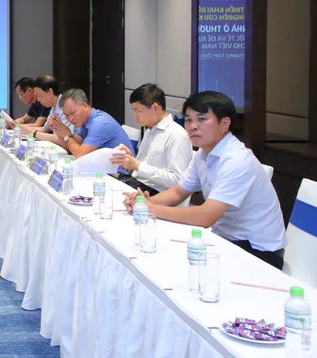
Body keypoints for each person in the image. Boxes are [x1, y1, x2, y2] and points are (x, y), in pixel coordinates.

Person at [123, 91, 287, 269]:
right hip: (225, 240)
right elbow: (178, 192)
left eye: (201, 119)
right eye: (188, 120)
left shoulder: (237, 160)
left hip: (258, 252)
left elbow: (205, 216)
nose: (193, 126)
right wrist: (142, 203)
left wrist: (151, 208)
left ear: (224, 124)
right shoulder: (203, 153)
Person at [109, 83, 192, 194]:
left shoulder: (176, 135)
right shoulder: (150, 130)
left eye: (138, 111)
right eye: (134, 111)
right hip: (139, 185)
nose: (135, 116)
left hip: (158, 194)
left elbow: (177, 180)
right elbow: (139, 171)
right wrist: (128, 162)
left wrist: (137, 165)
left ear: (155, 108)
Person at [49, 88, 131, 157]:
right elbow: (71, 149)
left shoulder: (99, 123)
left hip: (121, 170)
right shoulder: (84, 121)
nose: (70, 118)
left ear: (85, 106)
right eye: (66, 115)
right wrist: (58, 129)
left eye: (73, 112)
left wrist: (67, 135)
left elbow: (80, 154)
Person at [31, 74, 75, 143]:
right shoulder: (53, 107)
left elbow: (66, 138)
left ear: (50, 91)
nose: (38, 100)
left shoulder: (65, 105)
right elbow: (45, 129)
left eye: (39, 95)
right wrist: (22, 129)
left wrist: (35, 134)